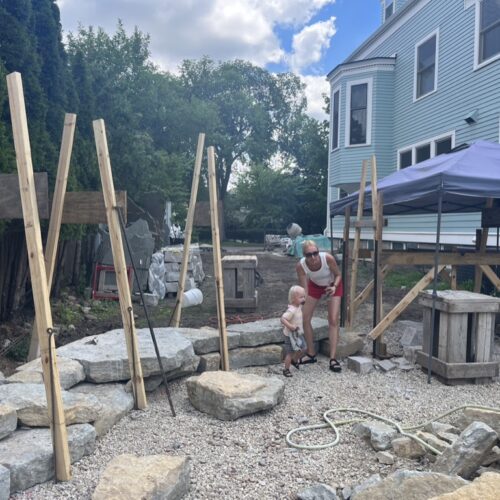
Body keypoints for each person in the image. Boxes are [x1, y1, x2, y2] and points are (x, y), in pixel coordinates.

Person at [296, 240, 343, 372]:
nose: (313, 257)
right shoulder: (301, 266)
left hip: (333, 285)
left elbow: (339, 274)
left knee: (333, 319)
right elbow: (304, 288)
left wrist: (334, 287)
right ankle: (311, 353)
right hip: (315, 286)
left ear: (318, 252)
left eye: (315, 253)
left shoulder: (327, 258)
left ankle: (333, 358)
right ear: (304, 255)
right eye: (309, 255)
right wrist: (299, 303)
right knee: (304, 318)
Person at [280, 285, 307, 377]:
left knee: (304, 348)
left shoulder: (298, 306)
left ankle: (294, 360)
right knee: (290, 353)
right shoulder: (291, 310)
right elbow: (283, 319)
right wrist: (290, 326)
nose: (303, 299)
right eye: (301, 297)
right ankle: (286, 369)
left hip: (298, 334)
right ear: (293, 298)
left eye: (304, 296)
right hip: (290, 335)